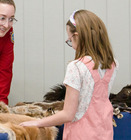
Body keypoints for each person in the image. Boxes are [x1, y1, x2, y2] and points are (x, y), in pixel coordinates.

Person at [20, 9, 119, 140]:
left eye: (70, 40)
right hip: (104, 132)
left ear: (77, 36)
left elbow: (68, 114)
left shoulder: (76, 67)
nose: (71, 44)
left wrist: (37, 122)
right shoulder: (112, 64)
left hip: (80, 134)